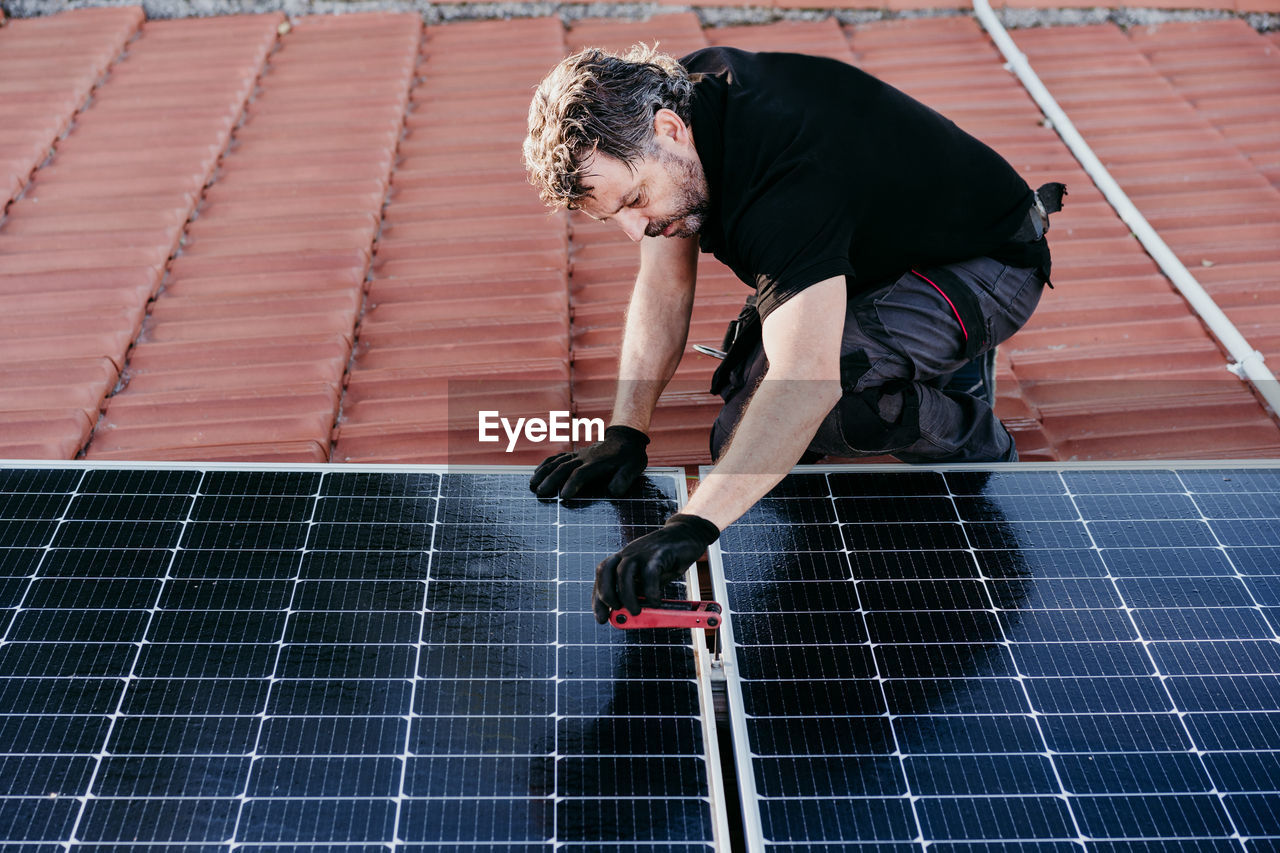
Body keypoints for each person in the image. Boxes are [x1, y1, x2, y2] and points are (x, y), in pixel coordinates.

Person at [521, 44, 1063, 624]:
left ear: (671, 130)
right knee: (741, 432)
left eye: (634, 201)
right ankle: (914, 353)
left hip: (984, 265)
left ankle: (973, 431)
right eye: (614, 217)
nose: (636, 229)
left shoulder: (785, 176)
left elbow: (805, 387)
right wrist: (626, 430)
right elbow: (664, 290)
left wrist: (691, 527)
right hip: (872, 260)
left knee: (831, 408)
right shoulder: (667, 109)